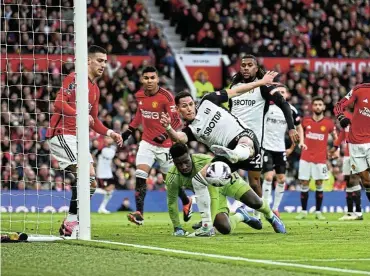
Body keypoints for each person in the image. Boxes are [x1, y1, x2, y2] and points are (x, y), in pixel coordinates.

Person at [160, 71, 286, 236]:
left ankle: (270, 216)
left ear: (194, 103)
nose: (189, 108)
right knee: (198, 180)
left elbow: (236, 92)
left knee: (254, 199)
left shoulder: (208, 101)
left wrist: (261, 82)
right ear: (177, 109)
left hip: (244, 138)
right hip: (224, 159)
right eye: (184, 106)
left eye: (191, 104)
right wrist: (168, 127)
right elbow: (179, 139)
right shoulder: (192, 130)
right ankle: (206, 227)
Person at [46, 45, 123, 236]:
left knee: (91, 184)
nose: (103, 64)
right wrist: (79, 113)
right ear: (88, 61)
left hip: (78, 138)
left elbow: (94, 120)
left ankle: (70, 222)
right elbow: (58, 103)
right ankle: (73, 222)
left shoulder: (95, 89)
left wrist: (110, 133)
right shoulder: (75, 78)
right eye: (100, 60)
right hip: (62, 134)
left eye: (105, 61)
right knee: (85, 177)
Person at [228, 55, 299, 218]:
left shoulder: (263, 87)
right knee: (220, 175)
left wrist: (291, 128)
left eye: (249, 65)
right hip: (232, 139)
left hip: (253, 143)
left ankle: (262, 215)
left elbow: (284, 104)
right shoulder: (235, 85)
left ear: (256, 68)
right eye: (243, 65)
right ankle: (217, 215)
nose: (245, 68)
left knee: (254, 182)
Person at [121, 66, 192, 225]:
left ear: (157, 79)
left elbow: (176, 120)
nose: (149, 81)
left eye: (152, 77)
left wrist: (164, 134)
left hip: (166, 145)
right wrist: (129, 131)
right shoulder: (139, 95)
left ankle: (186, 201)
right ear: (142, 80)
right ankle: (139, 213)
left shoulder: (166, 96)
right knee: (140, 174)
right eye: (146, 78)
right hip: (147, 142)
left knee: (170, 183)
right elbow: (140, 114)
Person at [166, 143, 286, 237]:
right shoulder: (172, 176)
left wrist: (207, 224)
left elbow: (213, 195)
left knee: (255, 203)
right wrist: (178, 228)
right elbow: (171, 202)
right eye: (179, 164)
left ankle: (271, 216)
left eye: (186, 161)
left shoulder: (205, 162)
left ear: (190, 155)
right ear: (174, 163)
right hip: (211, 192)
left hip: (229, 182)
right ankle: (241, 216)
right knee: (224, 228)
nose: (183, 167)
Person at [261, 85, 305, 218]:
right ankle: (265, 206)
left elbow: (299, 127)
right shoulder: (266, 107)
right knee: (268, 177)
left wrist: (298, 143)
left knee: (281, 179)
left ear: (287, 94)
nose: (280, 94)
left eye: (282, 92)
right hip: (266, 147)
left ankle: (275, 208)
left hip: (280, 148)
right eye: (278, 92)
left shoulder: (291, 110)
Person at [296, 96, 337, 220]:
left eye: (320, 104)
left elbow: (336, 137)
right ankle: (303, 211)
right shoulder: (306, 121)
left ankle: (318, 212)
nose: (318, 107)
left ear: (323, 107)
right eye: (316, 105)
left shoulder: (328, 123)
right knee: (304, 183)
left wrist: (336, 150)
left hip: (320, 159)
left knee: (319, 183)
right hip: (305, 157)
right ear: (312, 107)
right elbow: (299, 131)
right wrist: (301, 141)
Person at [334, 83, 370, 208]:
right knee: (366, 182)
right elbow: (339, 105)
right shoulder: (360, 89)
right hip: (356, 143)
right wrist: (341, 117)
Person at [330, 112, 363, 221]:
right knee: (348, 182)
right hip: (348, 154)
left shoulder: (364, 117)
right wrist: (335, 147)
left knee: (355, 180)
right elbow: (343, 134)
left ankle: (358, 212)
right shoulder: (346, 117)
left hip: (358, 153)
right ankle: (349, 212)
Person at [95, 136, 117, 214]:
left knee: (110, 190)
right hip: (101, 174)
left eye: (110, 138)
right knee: (106, 191)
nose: (110, 139)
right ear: (104, 140)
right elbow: (95, 156)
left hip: (108, 174)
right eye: (108, 138)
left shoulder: (112, 148)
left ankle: (102, 207)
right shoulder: (101, 149)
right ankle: (88, 191)